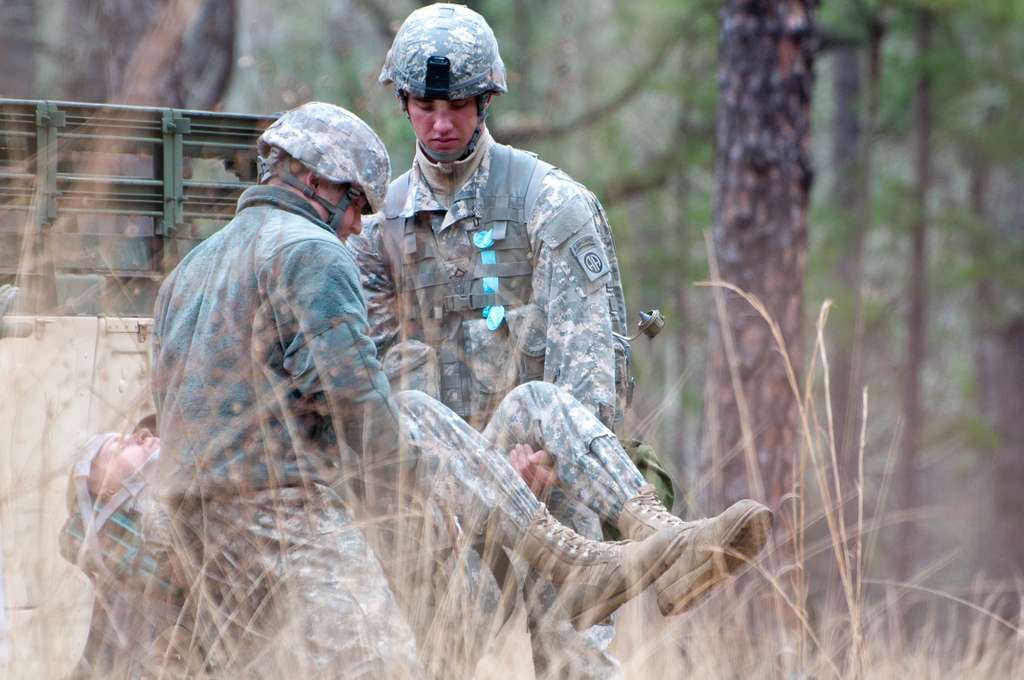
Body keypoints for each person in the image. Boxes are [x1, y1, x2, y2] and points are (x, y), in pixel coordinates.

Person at [149, 101, 727, 679]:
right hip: (290, 522)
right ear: (313, 178)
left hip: (198, 534)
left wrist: (476, 478)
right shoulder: (310, 251)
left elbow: (171, 404)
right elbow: (359, 411)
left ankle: (650, 538)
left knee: (522, 404)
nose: (357, 225)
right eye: (355, 203)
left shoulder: (189, 271)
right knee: (384, 666)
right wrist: (454, 502)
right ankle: (571, 553)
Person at [348, 4, 766, 677]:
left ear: (486, 100)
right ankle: (663, 548)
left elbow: (591, 376)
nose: (442, 122)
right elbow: (371, 395)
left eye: (457, 104)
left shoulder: (550, 205)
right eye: (425, 105)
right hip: (439, 508)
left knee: (574, 655)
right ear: (403, 102)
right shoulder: (374, 230)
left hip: (550, 476)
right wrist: (478, 483)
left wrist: (541, 463)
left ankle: (662, 539)